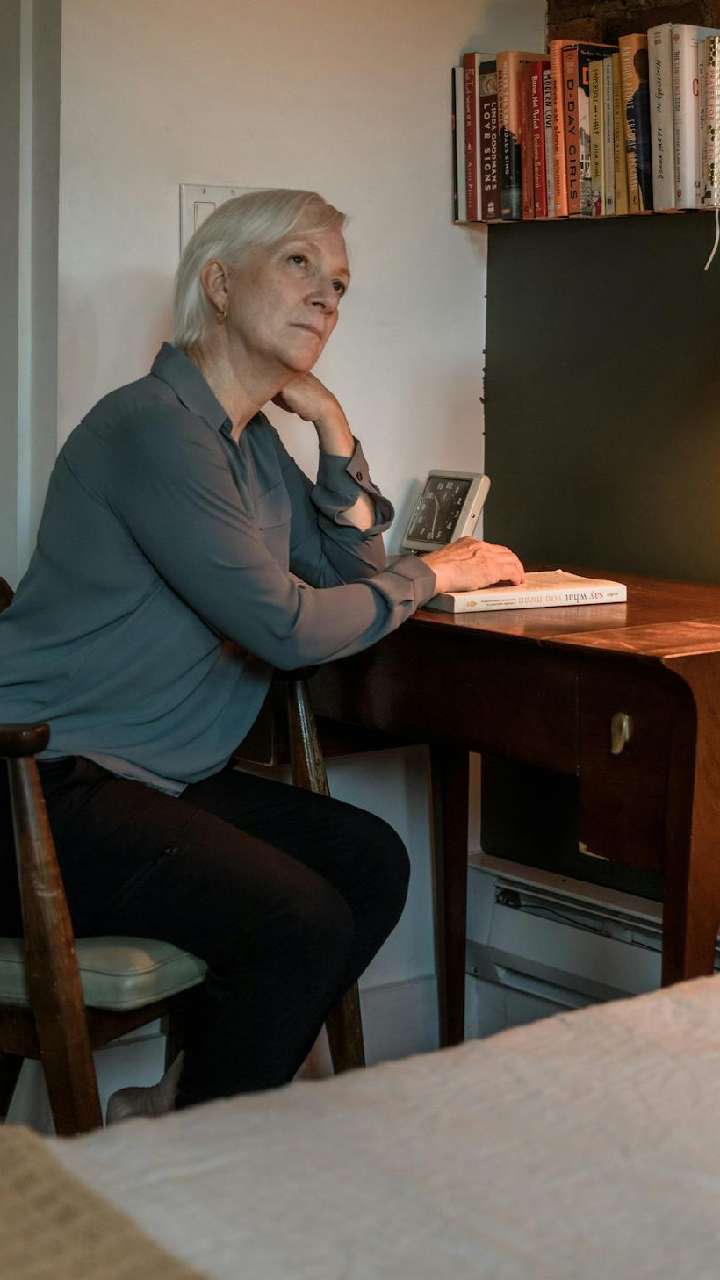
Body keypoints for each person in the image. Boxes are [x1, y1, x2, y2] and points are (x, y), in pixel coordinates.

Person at [0, 189, 524, 1119]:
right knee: (299, 920)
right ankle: (195, 1153)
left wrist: (331, 427)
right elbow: (289, 628)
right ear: (218, 283)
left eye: (339, 284)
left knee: (369, 861)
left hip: (148, 778)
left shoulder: (245, 446)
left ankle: (177, 1107)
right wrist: (437, 573)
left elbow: (350, 573)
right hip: (39, 785)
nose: (326, 296)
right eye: (298, 265)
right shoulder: (153, 427)